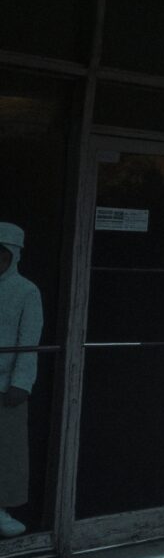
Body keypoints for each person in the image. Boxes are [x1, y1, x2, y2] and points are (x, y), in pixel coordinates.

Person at [0, 222, 42, 540]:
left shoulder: (26, 291)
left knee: (7, 451)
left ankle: (2, 509)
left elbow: (30, 341)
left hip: (5, 385)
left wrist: (21, 383)